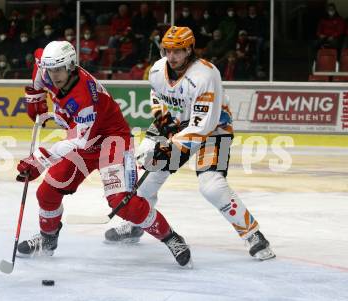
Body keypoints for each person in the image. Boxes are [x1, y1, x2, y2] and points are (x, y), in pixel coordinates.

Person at [104, 26, 275, 261]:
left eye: (177, 51)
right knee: (146, 180)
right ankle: (138, 224)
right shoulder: (156, 70)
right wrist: (163, 123)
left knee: (212, 186)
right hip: (177, 125)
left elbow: (201, 127)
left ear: (189, 49)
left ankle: (254, 235)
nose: (171, 57)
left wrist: (168, 148)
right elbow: (157, 96)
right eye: (167, 51)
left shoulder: (205, 75)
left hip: (213, 130)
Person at [15, 40, 192, 267]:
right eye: (50, 70)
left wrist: (39, 160)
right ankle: (48, 240)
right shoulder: (45, 67)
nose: (53, 75)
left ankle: (171, 238)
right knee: (47, 192)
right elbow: (38, 66)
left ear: (70, 66)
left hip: (112, 140)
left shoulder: (83, 97)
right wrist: (35, 97)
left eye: (58, 70)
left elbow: (79, 141)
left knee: (123, 203)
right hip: (84, 140)